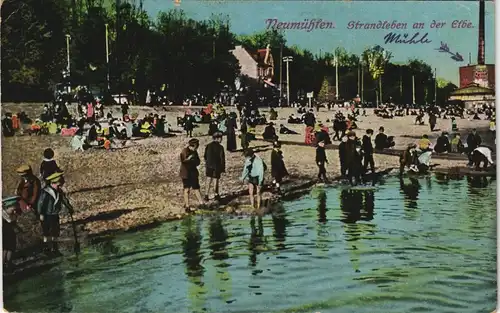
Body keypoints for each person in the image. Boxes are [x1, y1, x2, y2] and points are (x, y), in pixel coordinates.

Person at [37, 172, 74, 254]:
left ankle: (55, 248)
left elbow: (64, 200)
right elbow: (40, 204)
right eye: (58, 184)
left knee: (55, 231)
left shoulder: (59, 191)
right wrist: (41, 214)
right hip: (46, 215)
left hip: (54, 214)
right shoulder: (45, 192)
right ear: (53, 183)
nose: (59, 186)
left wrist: (70, 208)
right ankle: (47, 248)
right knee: (47, 232)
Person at [180, 138, 205, 212]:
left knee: (196, 187)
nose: (196, 149)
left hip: (193, 172)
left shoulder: (194, 152)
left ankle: (201, 203)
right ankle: (187, 206)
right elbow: (183, 161)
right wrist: (189, 159)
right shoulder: (184, 151)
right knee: (186, 189)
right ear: (193, 146)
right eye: (196, 147)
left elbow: (198, 161)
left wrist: (194, 161)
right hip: (186, 173)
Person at [204, 132, 225, 201]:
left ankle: (206, 195)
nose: (221, 140)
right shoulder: (220, 147)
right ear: (218, 138)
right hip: (217, 166)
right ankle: (216, 194)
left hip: (209, 165)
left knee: (208, 180)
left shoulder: (208, 146)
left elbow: (205, 156)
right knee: (215, 180)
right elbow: (222, 158)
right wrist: (222, 168)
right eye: (221, 138)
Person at [3, 196, 22, 272]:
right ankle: (4, 264)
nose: (15, 212)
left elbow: (13, 222)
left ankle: (8, 263)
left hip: (10, 233)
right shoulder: (2, 216)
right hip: (4, 233)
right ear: (7, 207)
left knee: (11, 248)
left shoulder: (12, 215)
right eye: (13, 210)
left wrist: (19, 228)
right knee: (4, 248)